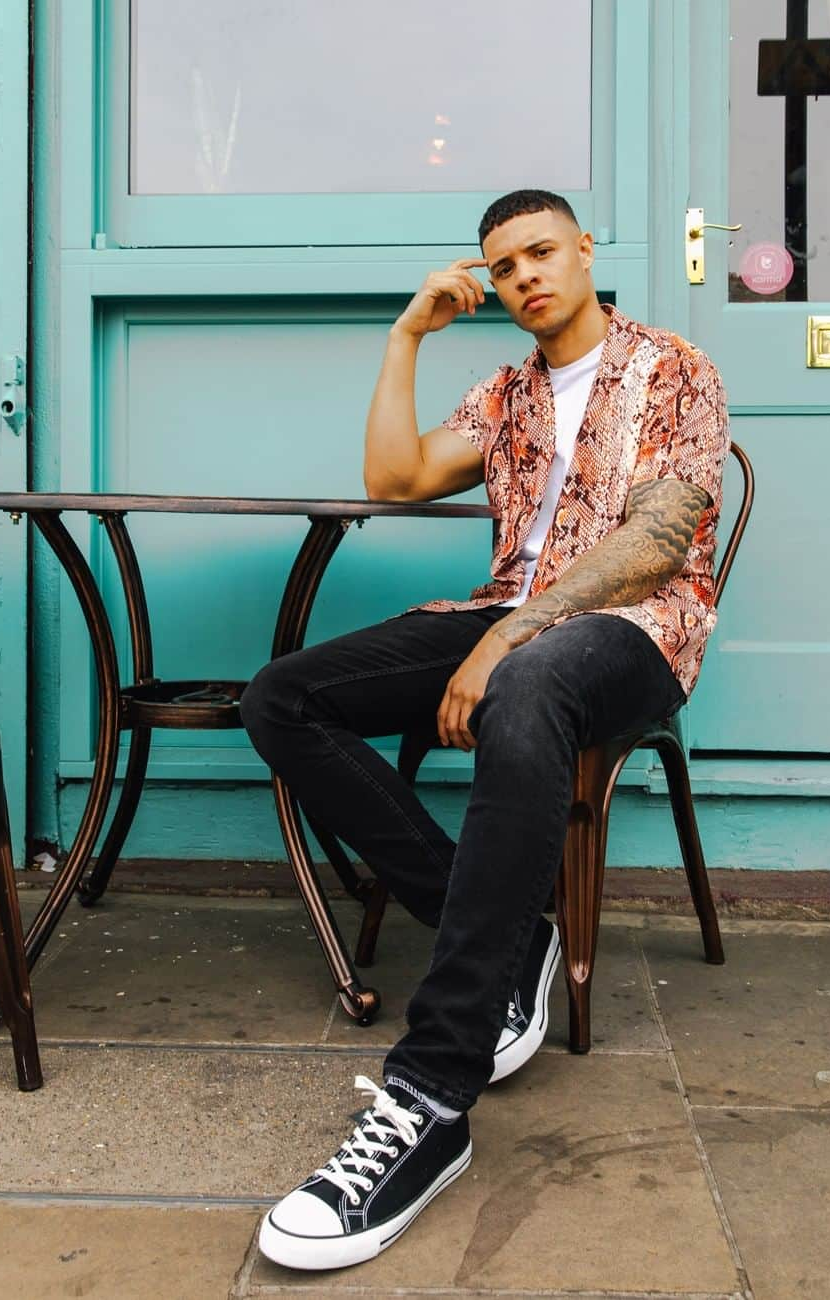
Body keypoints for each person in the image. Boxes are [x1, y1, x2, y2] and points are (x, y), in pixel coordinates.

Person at [240, 188, 729, 1271]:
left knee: (526, 685)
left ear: (586, 250)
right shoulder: (506, 392)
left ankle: (432, 1093)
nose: (524, 278)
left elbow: (658, 541)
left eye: (541, 253)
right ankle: (515, 934)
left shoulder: (672, 366)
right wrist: (406, 333)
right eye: (503, 267)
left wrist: (510, 641)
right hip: (502, 617)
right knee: (280, 697)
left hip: (631, 631)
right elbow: (394, 476)